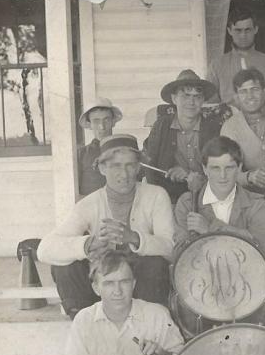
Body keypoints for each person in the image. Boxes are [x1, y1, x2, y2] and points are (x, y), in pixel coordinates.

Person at [37, 134, 174, 319]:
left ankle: (149, 325)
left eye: (130, 165)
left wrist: (135, 238)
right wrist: (86, 245)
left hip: (141, 286)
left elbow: (171, 248)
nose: (123, 174)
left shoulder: (156, 195)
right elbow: (45, 249)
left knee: (155, 263)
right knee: (63, 266)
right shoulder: (90, 203)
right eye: (115, 166)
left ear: (139, 167)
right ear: (102, 168)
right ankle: (84, 323)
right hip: (102, 287)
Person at [172, 135, 265, 254]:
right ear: (205, 169)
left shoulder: (256, 205)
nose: (223, 176)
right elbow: (181, 256)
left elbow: (259, 251)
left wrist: (211, 229)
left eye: (229, 168)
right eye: (215, 168)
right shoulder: (188, 203)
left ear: (239, 168)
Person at [142, 69, 221, 204]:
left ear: (203, 100)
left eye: (197, 96)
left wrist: (200, 178)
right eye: (185, 96)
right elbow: (149, 165)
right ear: (174, 99)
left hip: (207, 196)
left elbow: (221, 168)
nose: (191, 102)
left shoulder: (214, 129)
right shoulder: (161, 126)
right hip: (168, 198)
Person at [219, 68, 265, 193]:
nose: (250, 96)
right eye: (243, 92)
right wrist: (249, 177)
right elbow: (226, 171)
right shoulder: (230, 128)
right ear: (236, 97)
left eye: (255, 89)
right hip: (253, 196)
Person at [206, 7, 265, 106]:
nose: (243, 35)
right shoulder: (216, 65)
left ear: (256, 29)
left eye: (248, 30)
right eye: (238, 30)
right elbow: (211, 105)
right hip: (229, 119)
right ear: (229, 31)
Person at [77, 98, 123, 196]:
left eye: (106, 120)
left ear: (113, 122)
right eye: (96, 121)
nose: (102, 126)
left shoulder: (125, 151)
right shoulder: (81, 154)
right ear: (89, 124)